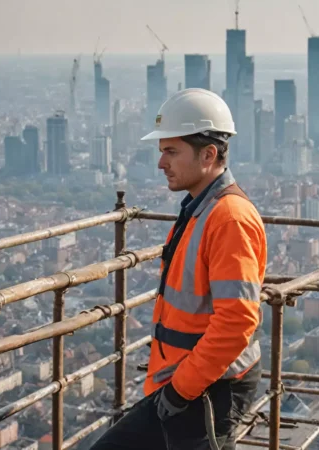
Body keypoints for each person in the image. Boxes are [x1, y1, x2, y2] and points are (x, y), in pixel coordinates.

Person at [90, 89, 267, 450]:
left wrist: (181, 390)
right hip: (189, 380)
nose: (161, 163)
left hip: (207, 386)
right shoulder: (201, 210)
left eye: (171, 151)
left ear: (208, 154)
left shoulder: (228, 218)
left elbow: (236, 322)